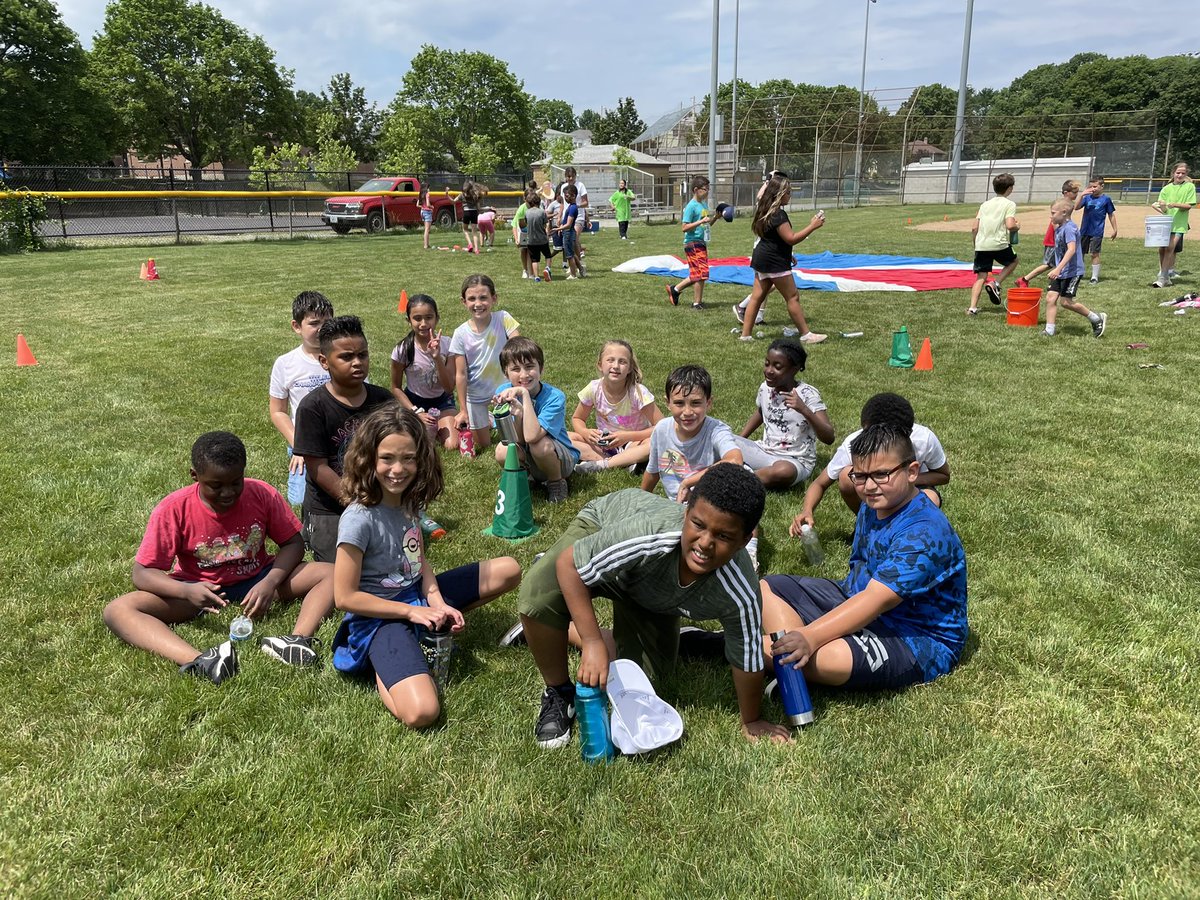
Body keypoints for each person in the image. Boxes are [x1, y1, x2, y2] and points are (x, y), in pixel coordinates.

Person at [514, 463, 792, 748]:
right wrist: (592, 641)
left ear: (745, 540)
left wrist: (752, 719)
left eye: (723, 536)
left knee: (641, 687)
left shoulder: (741, 590)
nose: (705, 542)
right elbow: (570, 565)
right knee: (541, 593)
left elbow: (747, 656)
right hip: (605, 529)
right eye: (698, 524)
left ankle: (557, 629)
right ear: (686, 514)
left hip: (650, 593)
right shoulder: (651, 534)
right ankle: (558, 687)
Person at [331, 404, 520, 728]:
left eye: (408, 458)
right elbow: (345, 598)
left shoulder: (408, 501)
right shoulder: (358, 519)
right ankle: (382, 663)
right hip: (379, 617)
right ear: (367, 458)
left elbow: (417, 561)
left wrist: (437, 603)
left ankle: (422, 633)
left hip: (416, 597)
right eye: (387, 458)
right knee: (422, 713)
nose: (398, 469)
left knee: (509, 568)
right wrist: (411, 613)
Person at [103, 432, 335, 682]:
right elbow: (142, 573)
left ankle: (296, 641)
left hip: (258, 579)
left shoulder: (262, 494)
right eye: (216, 485)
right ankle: (203, 660)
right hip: (198, 590)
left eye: (236, 482)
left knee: (333, 572)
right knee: (118, 609)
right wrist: (185, 591)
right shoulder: (173, 508)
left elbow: (293, 543)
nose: (228, 493)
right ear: (195, 476)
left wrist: (269, 583)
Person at [763, 424, 968, 693]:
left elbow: (876, 600)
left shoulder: (924, 532)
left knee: (829, 657)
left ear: (912, 472)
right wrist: (805, 638)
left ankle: (731, 646)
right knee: (769, 587)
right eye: (860, 476)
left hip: (914, 637)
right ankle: (792, 667)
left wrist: (811, 636)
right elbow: (862, 587)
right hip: (855, 597)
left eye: (882, 474)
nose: (869, 486)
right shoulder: (875, 504)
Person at [293, 316, 395, 563]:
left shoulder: (383, 401)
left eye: (363, 354)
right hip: (330, 506)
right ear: (324, 362)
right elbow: (318, 469)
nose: (357, 362)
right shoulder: (312, 407)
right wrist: (359, 504)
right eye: (346, 357)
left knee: (390, 562)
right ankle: (312, 530)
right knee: (340, 570)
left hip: (379, 496)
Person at [792, 392, 949, 534]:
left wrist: (904, 477)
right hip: (878, 494)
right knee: (846, 477)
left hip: (912, 488)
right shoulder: (856, 444)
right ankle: (868, 524)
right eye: (871, 436)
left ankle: (909, 532)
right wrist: (807, 510)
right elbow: (820, 483)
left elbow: (943, 475)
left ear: (907, 433)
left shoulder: (924, 439)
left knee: (930, 499)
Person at [737, 175, 826, 343]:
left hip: (762, 258)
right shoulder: (779, 215)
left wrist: (788, 254)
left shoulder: (765, 210)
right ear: (778, 194)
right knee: (792, 297)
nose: (790, 195)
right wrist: (812, 226)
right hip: (774, 262)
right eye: (788, 192)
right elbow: (791, 238)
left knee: (756, 297)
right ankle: (806, 335)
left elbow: (772, 238)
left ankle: (745, 335)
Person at [735, 338, 834, 490]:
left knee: (783, 472)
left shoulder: (808, 395)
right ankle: (747, 471)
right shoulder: (765, 388)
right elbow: (761, 413)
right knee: (720, 437)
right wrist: (739, 441)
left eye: (777, 366)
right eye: (767, 363)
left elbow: (829, 437)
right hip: (764, 451)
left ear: (795, 369)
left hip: (794, 460)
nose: (769, 370)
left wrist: (804, 409)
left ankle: (737, 480)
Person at [492, 337, 578, 503]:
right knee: (503, 450)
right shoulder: (503, 391)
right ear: (505, 373)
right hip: (528, 455)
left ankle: (556, 482)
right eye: (515, 369)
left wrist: (523, 396)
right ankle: (526, 478)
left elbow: (532, 437)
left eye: (530, 366)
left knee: (540, 445)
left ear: (541, 368)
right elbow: (514, 440)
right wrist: (517, 414)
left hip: (558, 460)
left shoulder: (555, 397)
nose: (524, 374)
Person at [268, 290, 333, 506]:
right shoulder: (286, 363)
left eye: (327, 322)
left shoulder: (343, 356)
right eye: (314, 323)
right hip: (304, 440)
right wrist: (300, 446)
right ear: (296, 326)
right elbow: (278, 411)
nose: (321, 328)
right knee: (299, 501)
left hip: (340, 437)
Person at [643, 364, 742, 503]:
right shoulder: (661, 430)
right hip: (679, 505)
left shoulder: (716, 430)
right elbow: (652, 472)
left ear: (708, 403)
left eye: (695, 403)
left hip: (713, 505)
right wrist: (640, 501)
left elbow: (735, 461)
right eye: (679, 403)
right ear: (667, 403)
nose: (688, 412)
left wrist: (688, 482)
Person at [449, 274, 520, 452]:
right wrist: (463, 410)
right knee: (484, 445)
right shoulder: (460, 333)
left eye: (483, 297)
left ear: (494, 298)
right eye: (471, 299)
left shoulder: (503, 318)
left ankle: (496, 416)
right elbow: (461, 374)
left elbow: (519, 347)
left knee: (514, 440)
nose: (478, 304)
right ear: (463, 302)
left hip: (504, 392)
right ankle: (488, 419)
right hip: (476, 395)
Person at [572, 339, 663, 474]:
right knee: (565, 437)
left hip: (633, 443)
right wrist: (585, 432)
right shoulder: (593, 389)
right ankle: (623, 462)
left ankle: (602, 464)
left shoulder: (638, 392)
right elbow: (577, 418)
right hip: (603, 442)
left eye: (622, 361)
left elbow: (661, 425)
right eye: (610, 360)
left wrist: (627, 437)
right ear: (600, 365)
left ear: (630, 367)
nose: (616, 366)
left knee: (653, 444)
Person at [390, 294, 457, 451]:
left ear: (437, 318)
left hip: (442, 401)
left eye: (429, 317)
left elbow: (448, 388)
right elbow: (395, 388)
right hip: (415, 402)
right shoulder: (402, 350)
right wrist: (416, 411)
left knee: (452, 445)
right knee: (419, 445)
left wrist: (437, 358)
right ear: (409, 320)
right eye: (417, 318)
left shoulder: (448, 345)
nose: (424, 323)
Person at [1042, 199, 1107, 338]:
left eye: (1053, 213)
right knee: (1050, 298)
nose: (1051, 216)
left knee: (1066, 302)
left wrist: (1058, 269)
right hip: (1061, 272)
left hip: (1072, 271)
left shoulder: (1070, 228)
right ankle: (1049, 329)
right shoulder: (1059, 227)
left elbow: (1071, 250)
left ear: (1064, 213)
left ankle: (1095, 318)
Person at [966, 172, 1020, 316]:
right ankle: (996, 283)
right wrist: (1017, 226)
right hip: (998, 243)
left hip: (981, 245)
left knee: (981, 276)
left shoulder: (984, 205)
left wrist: (975, 244)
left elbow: (974, 227)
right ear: (1009, 188)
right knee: (1014, 261)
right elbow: (1010, 225)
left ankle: (972, 308)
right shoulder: (1009, 204)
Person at [1016, 180, 1081, 289]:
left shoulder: (1066, 206)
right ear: (1066, 193)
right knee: (1049, 264)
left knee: (1055, 263)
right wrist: (1059, 236)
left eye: (1077, 192)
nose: (1076, 195)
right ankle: (1024, 279)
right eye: (1074, 192)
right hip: (1054, 240)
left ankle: (1053, 281)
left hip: (1060, 240)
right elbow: (1055, 224)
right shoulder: (1060, 206)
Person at [666, 175, 717, 310]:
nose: (707, 192)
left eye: (708, 189)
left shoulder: (703, 204)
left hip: (701, 242)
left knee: (699, 273)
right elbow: (684, 227)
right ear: (696, 190)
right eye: (705, 189)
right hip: (692, 243)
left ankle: (675, 290)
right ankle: (696, 303)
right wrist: (701, 221)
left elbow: (706, 225)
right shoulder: (691, 206)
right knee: (701, 272)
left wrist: (716, 217)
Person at [1150, 161, 1195, 289]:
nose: (1180, 175)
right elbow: (1165, 211)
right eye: (1178, 173)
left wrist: (1175, 204)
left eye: (1183, 173)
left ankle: (1162, 278)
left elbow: (1188, 206)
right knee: (1162, 249)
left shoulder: (1189, 187)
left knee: (1170, 248)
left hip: (1179, 224)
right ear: (1173, 173)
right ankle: (1166, 276)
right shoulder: (1166, 188)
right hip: (1165, 224)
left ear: (1186, 174)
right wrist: (1162, 207)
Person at [1076, 177, 1117, 284]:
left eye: (1095, 186)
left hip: (1097, 231)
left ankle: (1094, 277)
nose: (1092, 189)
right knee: (1080, 253)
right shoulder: (1087, 198)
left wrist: (1115, 229)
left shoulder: (1106, 199)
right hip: (1084, 231)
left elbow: (1111, 215)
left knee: (1094, 253)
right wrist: (1081, 195)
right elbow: (1076, 207)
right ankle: (1078, 274)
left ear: (1102, 186)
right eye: (1091, 187)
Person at [520, 191, 552, 282]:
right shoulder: (542, 212)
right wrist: (547, 233)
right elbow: (546, 224)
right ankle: (547, 268)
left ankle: (537, 276)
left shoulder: (527, 212)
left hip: (531, 241)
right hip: (542, 239)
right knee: (548, 255)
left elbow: (526, 223)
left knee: (534, 260)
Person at [562, 166, 589, 269]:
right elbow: (562, 204)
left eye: (572, 177)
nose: (570, 179)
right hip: (567, 216)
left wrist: (576, 206)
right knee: (568, 241)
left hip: (578, 216)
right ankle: (573, 265)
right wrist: (560, 217)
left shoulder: (580, 185)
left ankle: (579, 264)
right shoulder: (563, 187)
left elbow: (586, 202)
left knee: (574, 239)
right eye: (568, 177)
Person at [553, 184, 582, 279]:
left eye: (567, 196)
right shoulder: (570, 206)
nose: (565, 198)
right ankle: (581, 269)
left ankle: (573, 275)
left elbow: (569, 224)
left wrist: (558, 229)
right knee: (571, 253)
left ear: (573, 196)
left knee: (569, 255)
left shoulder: (573, 208)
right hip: (568, 232)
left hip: (568, 232)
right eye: (565, 196)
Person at [454, 179, 483, 254]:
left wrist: (447, 195)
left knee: (465, 230)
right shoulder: (475, 195)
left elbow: (453, 201)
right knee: (474, 232)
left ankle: (470, 244)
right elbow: (478, 208)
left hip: (466, 212)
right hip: (474, 213)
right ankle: (476, 249)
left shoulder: (462, 195)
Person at [418, 186, 433, 250]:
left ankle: (427, 244)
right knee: (427, 230)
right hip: (427, 212)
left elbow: (418, 204)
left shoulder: (421, 194)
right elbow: (428, 204)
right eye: (428, 188)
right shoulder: (427, 194)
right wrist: (432, 207)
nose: (429, 189)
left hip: (422, 212)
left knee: (426, 229)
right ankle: (425, 245)